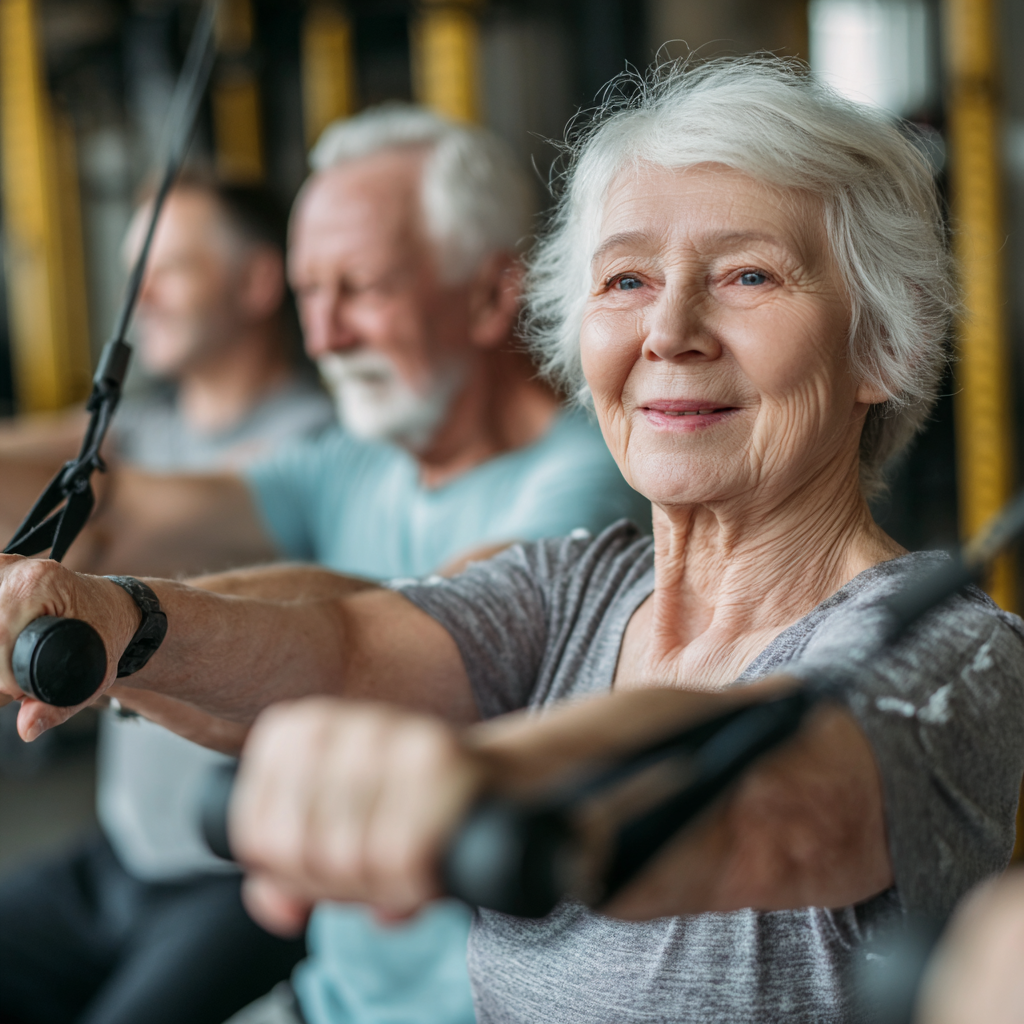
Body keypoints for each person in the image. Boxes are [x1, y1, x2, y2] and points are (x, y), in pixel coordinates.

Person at [3, 60, 1019, 1023]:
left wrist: (488, 775)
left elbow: (776, 795)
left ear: (880, 346)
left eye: (748, 276)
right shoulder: (574, 586)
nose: (668, 331)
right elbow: (346, 644)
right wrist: (119, 620)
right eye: (624, 281)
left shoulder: (955, 653)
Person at [0, 106, 649, 1024]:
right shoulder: (354, 463)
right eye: (309, 293)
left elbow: (412, 641)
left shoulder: (586, 483)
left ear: (488, 298)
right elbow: (121, 512)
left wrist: (123, 629)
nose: (326, 333)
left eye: (361, 287)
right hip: (329, 998)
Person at [0, 177, 335, 1024]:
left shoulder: (317, 452)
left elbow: (115, 520)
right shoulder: (144, 432)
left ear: (258, 283)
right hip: (121, 859)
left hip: (235, 884)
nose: (136, 297)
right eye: (132, 271)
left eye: (168, 269)